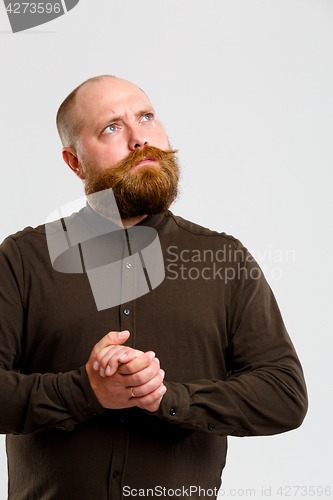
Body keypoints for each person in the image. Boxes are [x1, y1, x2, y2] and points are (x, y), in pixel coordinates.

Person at [0, 75, 308, 500]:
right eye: (111, 127)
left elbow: (284, 395)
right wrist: (85, 391)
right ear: (74, 162)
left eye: (146, 117)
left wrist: (168, 398)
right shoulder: (22, 259)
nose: (139, 138)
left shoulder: (225, 259)